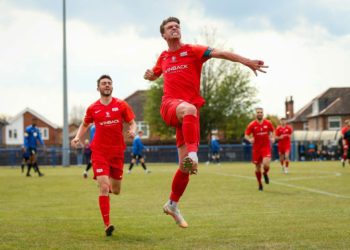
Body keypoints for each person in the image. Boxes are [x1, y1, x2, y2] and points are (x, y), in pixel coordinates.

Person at [144, 17, 268, 228]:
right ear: (163, 35)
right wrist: (150, 76)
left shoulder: (193, 50)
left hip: (189, 116)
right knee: (190, 115)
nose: (175, 28)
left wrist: (246, 61)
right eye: (170, 27)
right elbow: (155, 73)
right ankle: (194, 155)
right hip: (171, 107)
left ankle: (172, 204)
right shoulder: (164, 57)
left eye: (177, 26)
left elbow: (222, 53)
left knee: (185, 168)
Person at [71, 74, 136, 236]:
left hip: (117, 152)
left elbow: (132, 122)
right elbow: (84, 124)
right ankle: (107, 224)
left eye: (109, 83)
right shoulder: (93, 108)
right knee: (104, 187)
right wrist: (78, 137)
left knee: (116, 189)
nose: (106, 85)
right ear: (98, 88)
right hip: (99, 152)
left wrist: (132, 131)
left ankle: (107, 189)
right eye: (103, 83)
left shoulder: (121, 105)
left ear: (112, 87)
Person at [245, 108, 274, 191]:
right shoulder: (252, 124)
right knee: (257, 168)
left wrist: (272, 137)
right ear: (255, 114)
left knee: (266, 164)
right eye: (258, 112)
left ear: (263, 114)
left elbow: (272, 131)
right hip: (256, 149)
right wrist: (250, 139)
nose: (260, 113)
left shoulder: (268, 123)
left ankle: (265, 173)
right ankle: (260, 184)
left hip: (266, 147)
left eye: (261, 112)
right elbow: (246, 135)